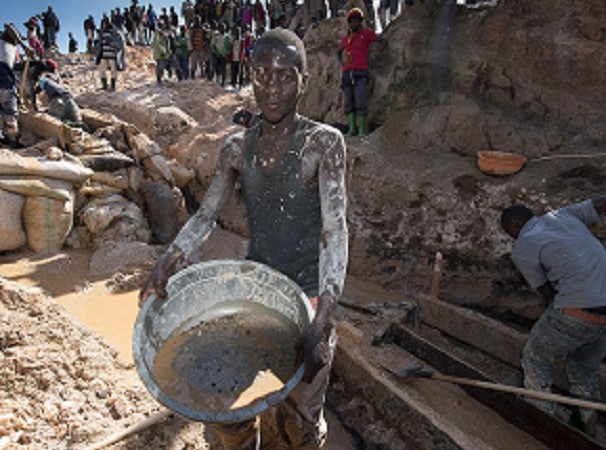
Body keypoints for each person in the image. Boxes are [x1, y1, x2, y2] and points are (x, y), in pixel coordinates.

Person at [139, 28, 348, 450]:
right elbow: (205, 214)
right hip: (257, 298)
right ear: (250, 77)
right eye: (262, 75)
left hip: (307, 299)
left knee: (299, 422)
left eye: (285, 76)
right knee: (227, 417)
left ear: (303, 82)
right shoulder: (236, 148)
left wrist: (324, 316)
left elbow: (335, 229)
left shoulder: (323, 144)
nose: (272, 88)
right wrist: (168, 260)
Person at [500, 197, 606, 436]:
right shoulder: (564, 215)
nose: (511, 238)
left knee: (535, 356)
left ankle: (543, 422)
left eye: (508, 232)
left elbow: (546, 292)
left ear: (515, 225)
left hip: (578, 308)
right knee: (583, 367)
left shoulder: (524, 245)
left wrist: (561, 324)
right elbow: (599, 204)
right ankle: (585, 424)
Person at [338, 7, 384, 136]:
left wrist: (378, 54)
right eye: (352, 21)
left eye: (356, 21)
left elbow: (382, 40)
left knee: (360, 101)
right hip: (347, 74)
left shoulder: (367, 34)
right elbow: (338, 52)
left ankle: (361, 130)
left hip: (361, 72)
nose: (354, 23)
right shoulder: (346, 38)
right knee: (348, 103)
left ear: (360, 22)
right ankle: (353, 129)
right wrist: (342, 64)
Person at [0, 23, 33, 148]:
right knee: (9, 110)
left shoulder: (8, 49)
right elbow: (8, 26)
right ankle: (12, 140)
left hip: (6, 74)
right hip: (4, 76)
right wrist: (25, 46)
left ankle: (4, 137)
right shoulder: (5, 39)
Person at [96, 17, 119, 91]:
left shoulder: (114, 32)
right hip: (104, 55)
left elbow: (118, 43)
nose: (104, 24)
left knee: (113, 71)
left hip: (112, 54)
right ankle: (105, 86)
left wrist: (111, 43)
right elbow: (100, 45)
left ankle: (113, 86)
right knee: (102, 71)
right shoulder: (101, 33)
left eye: (105, 23)